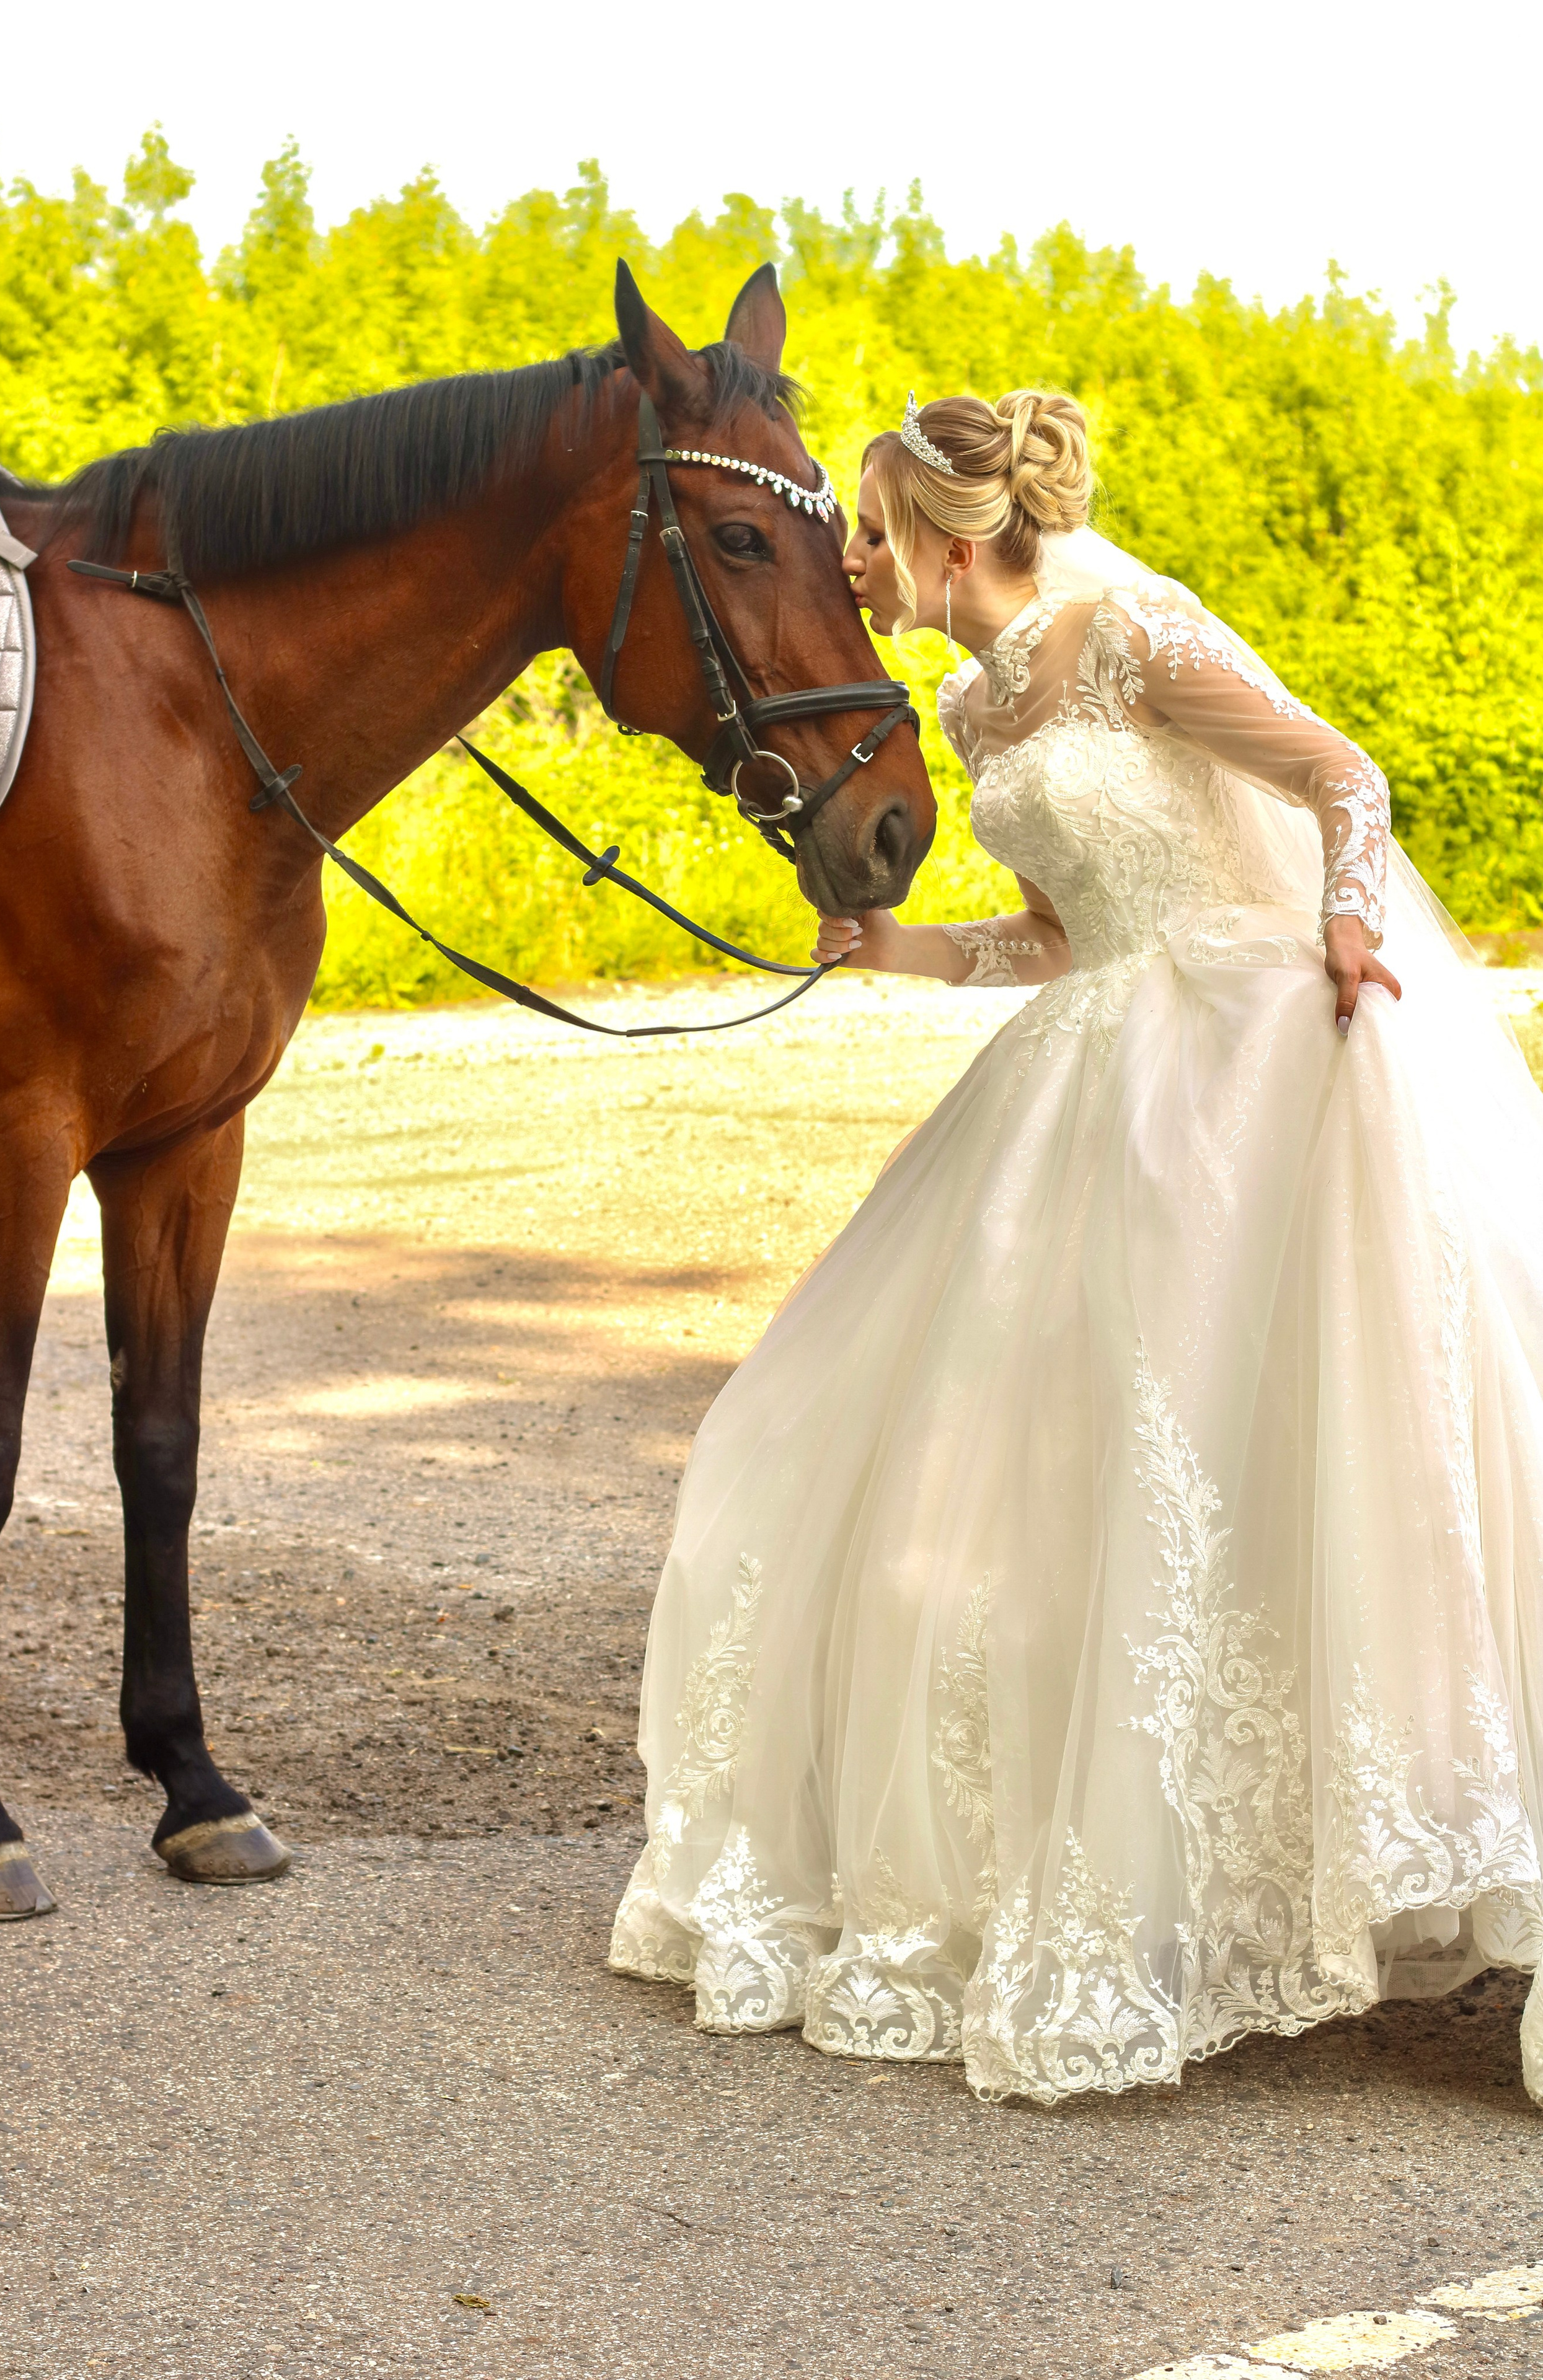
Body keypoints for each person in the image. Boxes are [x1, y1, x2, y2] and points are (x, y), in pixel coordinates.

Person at [609, 387, 1543, 2107]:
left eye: (874, 532)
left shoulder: (1130, 634)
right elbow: (1058, 935)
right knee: (1004, 1464)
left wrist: (1346, 924)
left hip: (1246, 1054)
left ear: (954, 537)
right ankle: (1102, 1853)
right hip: (1089, 1068)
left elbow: (1344, 775)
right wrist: (900, 952)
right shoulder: (971, 701)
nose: (859, 561)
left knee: (1244, 1450)